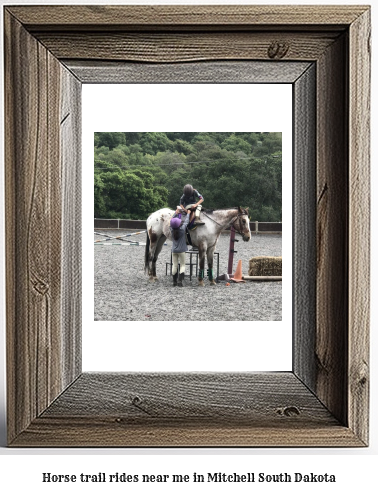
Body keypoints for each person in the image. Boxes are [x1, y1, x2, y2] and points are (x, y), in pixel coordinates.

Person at [170, 209, 190, 287]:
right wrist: (188, 214)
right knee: (182, 265)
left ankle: (174, 281)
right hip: (182, 250)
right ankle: (180, 281)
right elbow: (186, 222)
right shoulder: (182, 230)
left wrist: (176, 213)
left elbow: (171, 221)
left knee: (174, 265)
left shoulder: (171, 229)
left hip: (174, 250)